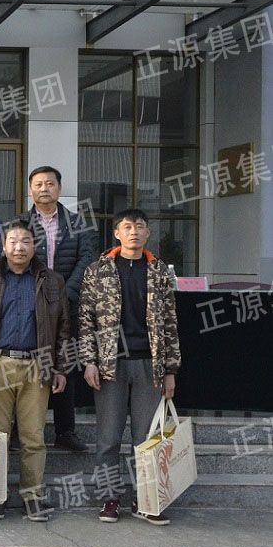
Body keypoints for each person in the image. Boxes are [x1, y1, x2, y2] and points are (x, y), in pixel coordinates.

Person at [79, 208, 181, 526]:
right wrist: (89, 362)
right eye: (127, 227)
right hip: (110, 365)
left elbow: (170, 322)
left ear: (148, 232)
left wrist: (170, 370)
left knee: (146, 440)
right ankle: (109, 498)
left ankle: (146, 500)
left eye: (139, 227)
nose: (133, 232)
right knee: (108, 437)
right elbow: (86, 320)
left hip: (150, 364)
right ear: (117, 234)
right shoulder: (98, 270)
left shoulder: (159, 271)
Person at [0, 221, 72, 522]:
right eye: (13, 241)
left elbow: (64, 328)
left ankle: (33, 496)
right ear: (3, 246)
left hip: (37, 366)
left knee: (33, 437)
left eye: (25, 241)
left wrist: (62, 368)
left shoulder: (52, 281)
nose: (19, 247)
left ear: (34, 246)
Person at [18, 165, 95, 453]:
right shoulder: (20, 223)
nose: (44, 189)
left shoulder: (76, 222)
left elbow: (86, 258)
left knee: (66, 363)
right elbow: (15, 259)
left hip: (67, 303)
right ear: (30, 190)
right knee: (27, 364)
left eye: (50, 184)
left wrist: (65, 293)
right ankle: (19, 429)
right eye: (38, 184)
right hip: (30, 304)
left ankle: (65, 431)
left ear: (59, 189)